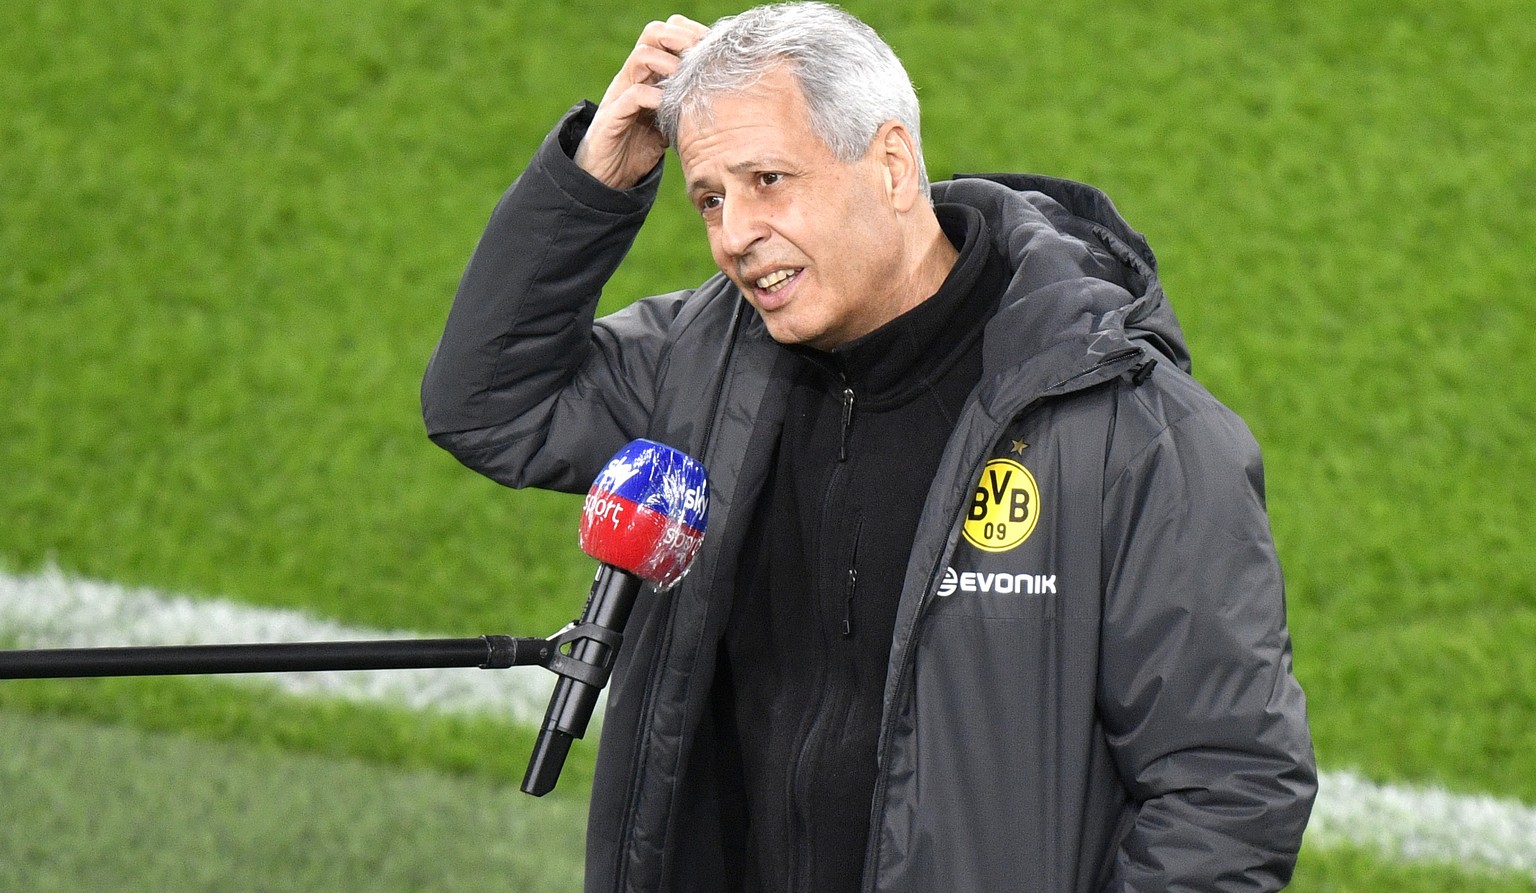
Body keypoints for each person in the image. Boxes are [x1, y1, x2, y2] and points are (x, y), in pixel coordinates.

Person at [421, 3, 1317, 891]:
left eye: (768, 179)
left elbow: (1229, 787)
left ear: (891, 165)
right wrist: (598, 176)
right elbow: (489, 404)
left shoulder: (1133, 433)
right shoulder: (704, 364)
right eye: (710, 198)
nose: (733, 235)